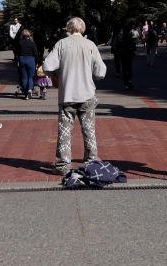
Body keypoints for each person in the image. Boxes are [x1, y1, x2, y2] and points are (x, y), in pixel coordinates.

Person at [43, 17, 106, 174]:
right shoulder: (90, 45)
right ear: (82, 29)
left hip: (67, 95)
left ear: (68, 28)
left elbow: (47, 65)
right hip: (87, 94)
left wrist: (56, 75)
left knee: (64, 131)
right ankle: (91, 161)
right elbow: (101, 72)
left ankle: (63, 165)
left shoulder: (61, 44)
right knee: (89, 130)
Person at [15, 28, 39, 100]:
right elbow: (36, 54)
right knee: (30, 77)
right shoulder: (32, 43)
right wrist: (37, 62)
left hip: (22, 59)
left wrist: (18, 60)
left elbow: (17, 53)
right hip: (31, 59)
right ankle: (30, 89)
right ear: (29, 35)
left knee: (24, 77)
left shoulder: (20, 43)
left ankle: (26, 94)